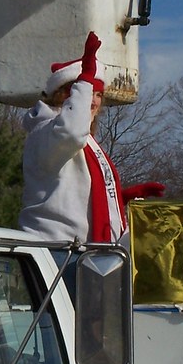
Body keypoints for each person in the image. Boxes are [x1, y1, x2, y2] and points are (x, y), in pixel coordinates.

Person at [19, 31, 164, 243]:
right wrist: (86, 76)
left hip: (85, 251)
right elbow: (71, 131)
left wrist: (120, 197)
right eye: (86, 92)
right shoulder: (47, 132)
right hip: (59, 250)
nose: (94, 102)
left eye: (98, 94)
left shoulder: (85, 143)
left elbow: (75, 198)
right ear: (65, 96)